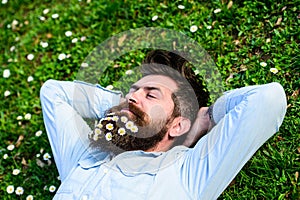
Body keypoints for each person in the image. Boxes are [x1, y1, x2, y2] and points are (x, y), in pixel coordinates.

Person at [40, 49, 287, 199]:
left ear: (177, 126)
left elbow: (267, 100)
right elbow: (53, 93)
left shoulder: (186, 174)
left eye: (151, 95)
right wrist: (127, 105)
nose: (133, 96)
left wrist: (208, 116)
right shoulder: (86, 156)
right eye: (132, 91)